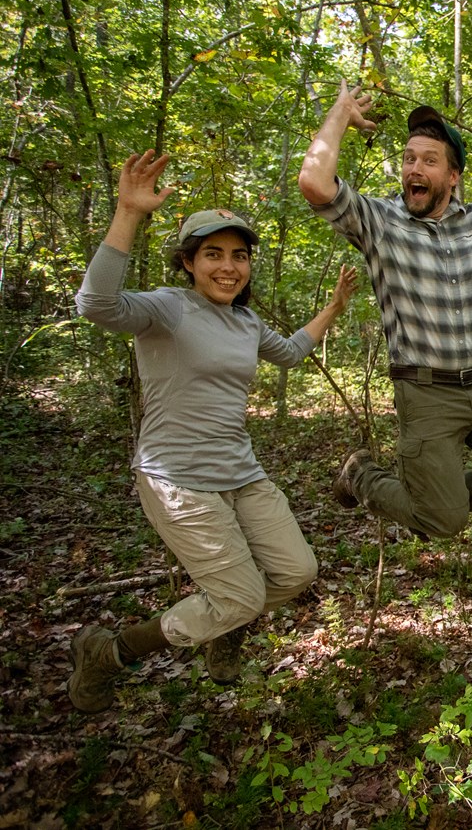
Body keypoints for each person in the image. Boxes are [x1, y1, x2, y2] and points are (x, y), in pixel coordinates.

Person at [68, 150, 359, 713]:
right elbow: (95, 303)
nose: (229, 267)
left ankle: (225, 623)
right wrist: (128, 212)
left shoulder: (245, 321)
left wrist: (335, 306)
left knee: (297, 572)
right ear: (188, 262)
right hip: (178, 479)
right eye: (213, 255)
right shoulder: (168, 309)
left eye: (239, 256)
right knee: (242, 596)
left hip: (240, 473)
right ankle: (109, 652)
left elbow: (293, 352)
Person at [299, 82, 472, 538]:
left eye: (429, 160)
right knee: (443, 520)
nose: (414, 168)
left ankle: (437, 491)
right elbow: (315, 184)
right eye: (409, 159)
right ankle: (362, 476)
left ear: (453, 176)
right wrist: (339, 113)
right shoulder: (380, 221)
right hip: (427, 395)